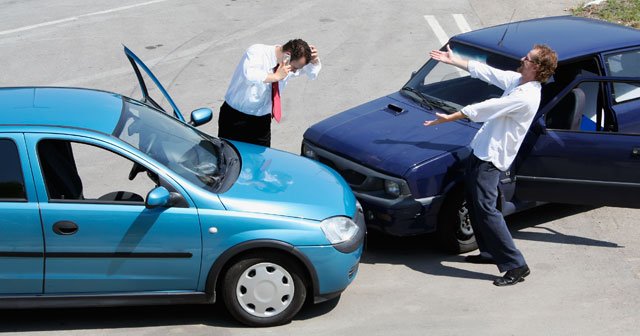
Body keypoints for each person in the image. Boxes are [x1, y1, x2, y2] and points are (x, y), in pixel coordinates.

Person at [423, 44, 557, 286]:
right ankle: (488, 252)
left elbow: (487, 107)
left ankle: (516, 265)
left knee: (486, 209)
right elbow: (487, 72)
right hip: (482, 150)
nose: (521, 58)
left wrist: (451, 117)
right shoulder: (519, 81)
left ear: (536, 67)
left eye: (527, 58)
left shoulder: (525, 96)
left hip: (491, 159)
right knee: (476, 204)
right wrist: (454, 61)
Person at [218, 39, 321, 147]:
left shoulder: (286, 65)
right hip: (235, 118)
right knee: (229, 158)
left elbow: (312, 74)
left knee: (262, 160)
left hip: (262, 122)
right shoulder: (257, 51)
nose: (294, 71)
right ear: (287, 55)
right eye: (294, 68)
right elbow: (249, 75)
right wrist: (276, 76)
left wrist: (314, 61)